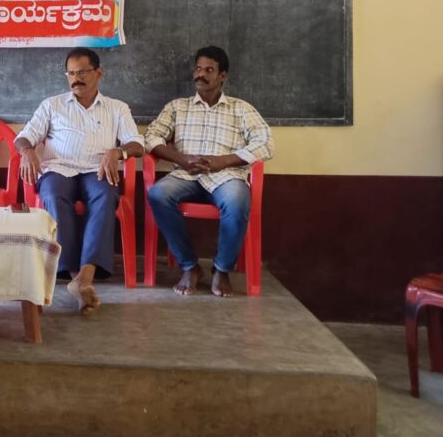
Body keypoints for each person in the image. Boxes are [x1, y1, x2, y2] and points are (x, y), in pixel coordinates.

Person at [15, 47, 144, 315]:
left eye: (82, 72)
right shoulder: (52, 105)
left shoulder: (117, 108)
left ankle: (86, 275)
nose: (76, 79)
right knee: (54, 194)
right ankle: (78, 279)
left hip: (97, 170)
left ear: (99, 73)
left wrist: (117, 152)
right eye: (71, 74)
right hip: (58, 169)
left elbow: (137, 144)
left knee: (106, 196)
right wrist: (27, 151)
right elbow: (24, 137)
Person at [145, 45, 274, 298]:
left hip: (226, 177)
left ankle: (222, 269)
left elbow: (266, 144)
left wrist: (223, 161)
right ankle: (189, 266)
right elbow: (151, 137)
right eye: (198, 69)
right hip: (186, 175)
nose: (200, 75)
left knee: (237, 200)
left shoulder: (241, 109)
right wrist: (182, 159)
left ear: (222, 76)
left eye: (209, 70)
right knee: (158, 194)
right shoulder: (177, 107)